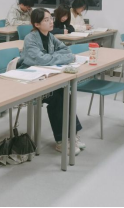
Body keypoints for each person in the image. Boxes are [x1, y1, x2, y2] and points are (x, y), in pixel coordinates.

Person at [18, 8, 84, 155]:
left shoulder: (50, 36)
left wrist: (54, 57)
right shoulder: (30, 38)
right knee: (57, 97)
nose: (51, 22)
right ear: (36, 24)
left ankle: (71, 135)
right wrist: (62, 58)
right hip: (30, 79)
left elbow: (66, 50)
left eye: (51, 19)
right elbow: (42, 60)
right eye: (46, 20)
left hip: (46, 75)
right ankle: (61, 141)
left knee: (64, 92)